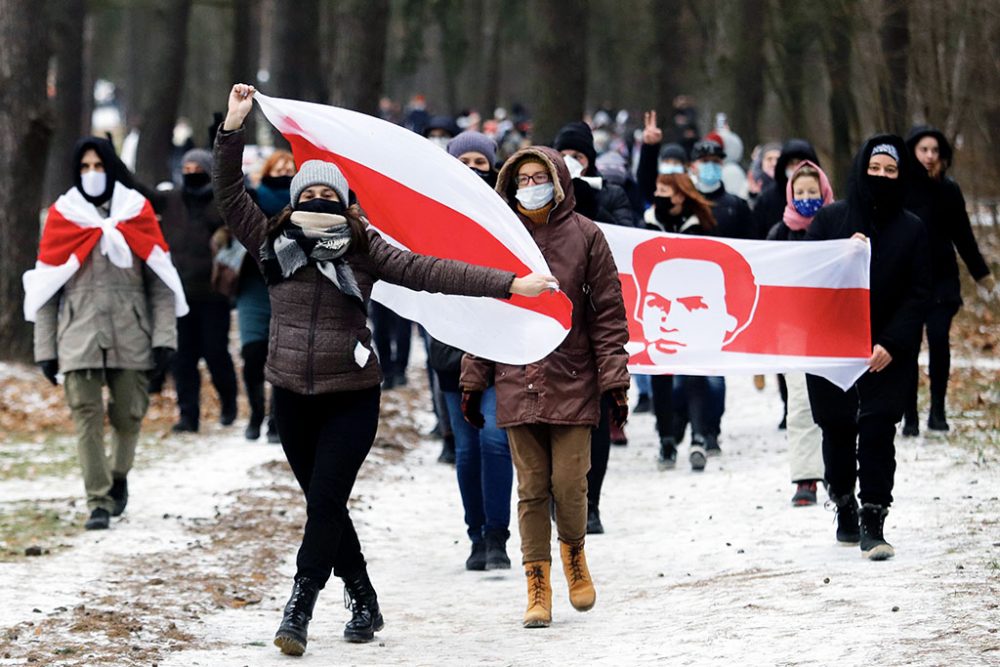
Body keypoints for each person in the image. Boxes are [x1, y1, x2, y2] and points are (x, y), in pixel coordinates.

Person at [216, 84, 556, 656]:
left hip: (352, 394)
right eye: (310, 192)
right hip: (292, 394)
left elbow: (431, 270)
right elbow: (229, 194)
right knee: (325, 505)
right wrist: (232, 127)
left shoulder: (363, 246)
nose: (320, 199)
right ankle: (365, 597)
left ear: (345, 202)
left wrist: (510, 284)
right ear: (295, 199)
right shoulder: (272, 242)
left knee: (325, 501)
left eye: (330, 193)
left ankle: (298, 607)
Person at [461, 146, 630, 629]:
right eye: (523, 177)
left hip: (574, 376)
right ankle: (537, 584)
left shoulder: (587, 236)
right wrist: (474, 380)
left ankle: (575, 556)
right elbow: (485, 315)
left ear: (558, 182)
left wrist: (614, 380)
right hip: (518, 377)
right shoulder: (501, 239)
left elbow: (608, 315)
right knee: (532, 488)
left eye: (540, 177)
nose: (531, 185)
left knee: (569, 483)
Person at [24, 136, 182, 530]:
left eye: (98, 166)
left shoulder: (136, 211)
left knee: (129, 415)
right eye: (84, 167)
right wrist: (45, 348)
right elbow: (46, 288)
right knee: (86, 418)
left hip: (132, 332)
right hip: (77, 335)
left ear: (111, 168)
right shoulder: (64, 216)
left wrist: (164, 337)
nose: (92, 174)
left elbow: (161, 280)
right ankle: (97, 500)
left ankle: (118, 476)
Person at [805, 135, 930, 561]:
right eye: (874, 168)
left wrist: (892, 343)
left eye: (890, 170)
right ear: (861, 169)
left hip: (887, 351)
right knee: (837, 428)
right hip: (833, 348)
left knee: (878, 429)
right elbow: (808, 283)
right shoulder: (830, 221)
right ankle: (843, 503)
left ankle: (873, 519)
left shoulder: (912, 228)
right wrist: (843, 255)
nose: (881, 176)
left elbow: (919, 293)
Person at [428, 130, 514, 570]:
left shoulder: (508, 214)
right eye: (464, 162)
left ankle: (498, 536)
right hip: (451, 347)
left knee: (497, 442)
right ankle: (476, 535)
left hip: (501, 346)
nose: (473, 170)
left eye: (481, 163)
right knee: (467, 449)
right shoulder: (431, 213)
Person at [901, 126, 995, 435]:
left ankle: (938, 410)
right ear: (912, 151)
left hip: (942, 279)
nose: (929, 156)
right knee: (907, 348)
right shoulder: (898, 188)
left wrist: (983, 276)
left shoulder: (948, 190)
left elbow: (963, 236)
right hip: (907, 282)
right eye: (923, 150)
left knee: (939, 340)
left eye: (935, 151)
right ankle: (910, 414)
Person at [152, 148, 239, 433]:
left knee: (216, 353)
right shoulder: (171, 201)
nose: (192, 174)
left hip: (214, 295)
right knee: (182, 359)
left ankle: (229, 403)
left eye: (197, 169)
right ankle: (188, 416)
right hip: (179, 297)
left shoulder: (221, 203)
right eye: (186, 169)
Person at [766, 161, 835, 505]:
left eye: (813, 192)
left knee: (838, 403)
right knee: (801, 402)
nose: (807, 198)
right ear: (790, 195)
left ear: (824, 192)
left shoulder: (839, 225)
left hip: (833, 327)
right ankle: (806, 477)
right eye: (801, 192)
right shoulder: (780, 232)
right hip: (793, 329)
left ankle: (838, 473)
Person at [240, 149, 295, 441]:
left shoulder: (303, 204)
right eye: (279, 166)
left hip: (288, 284)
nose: (285, 170)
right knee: (252, 352)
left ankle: (276, 417)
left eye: (290, 166)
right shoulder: (253, 196)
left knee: (280, 354)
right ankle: (255, 411)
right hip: (252, 285)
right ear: (268, 169)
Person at [751, 138, 820, 239]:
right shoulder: (767, 199)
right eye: (792, 163)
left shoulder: (823, 196)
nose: (797, 167)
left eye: (801, 163)